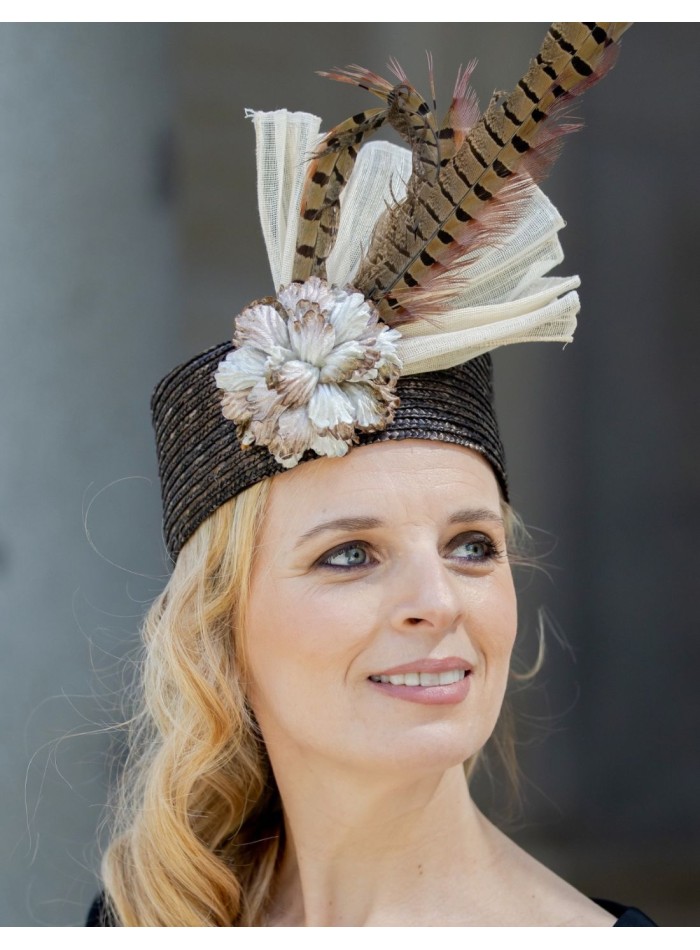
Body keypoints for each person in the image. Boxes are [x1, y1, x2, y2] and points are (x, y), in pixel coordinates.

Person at [87, 23, 656, 926]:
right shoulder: (151, 916)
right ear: (221, 628)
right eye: (350, 554)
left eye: (474, 546)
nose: (441, 601)